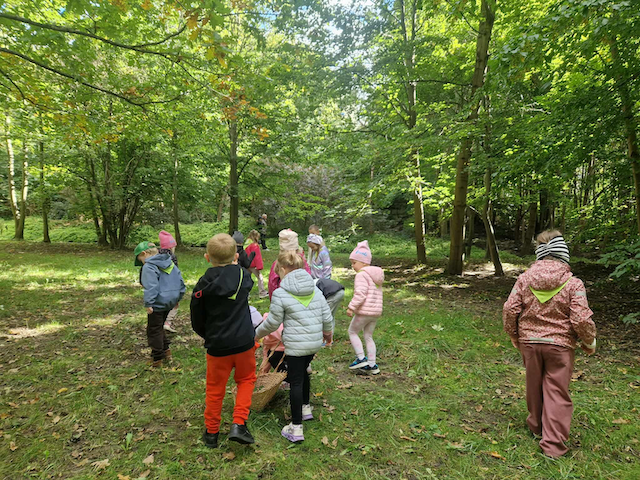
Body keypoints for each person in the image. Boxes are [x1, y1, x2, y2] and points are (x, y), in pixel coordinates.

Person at [503, 230, 596, 458]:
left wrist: (513, 334)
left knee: (533, 384)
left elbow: (510, 308)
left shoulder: (524, 279)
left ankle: (536, 426)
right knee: (556, 390)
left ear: (539, 255)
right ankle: (553, 445)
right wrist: (589, 340)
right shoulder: (573, 283)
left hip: (529, 343)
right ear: (564, 255)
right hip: (560, 346)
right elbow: (580, 318)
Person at [255, 251, 333, 443]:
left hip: (296, 346)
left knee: (296, 381)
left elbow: (272, 323)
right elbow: (327, 317)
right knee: (304, 373)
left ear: (282, 269)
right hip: (314, 344)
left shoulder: (281, 293)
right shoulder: (315, 290)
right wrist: (328, 335)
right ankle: (305, 408)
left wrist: (255, 334)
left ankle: (296, 427)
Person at [190, 233, 257, 448]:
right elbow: (248, 281)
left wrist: (209, 335)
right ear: (236, 256)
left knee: (215, 388)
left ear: (207, 257)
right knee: (246, 380)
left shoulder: (202, 285)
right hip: (244, 341)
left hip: (217, 346)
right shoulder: (243, 277)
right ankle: (239, 423)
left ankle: (211, 433)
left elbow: (196, 319)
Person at [134, 241, 185, 367]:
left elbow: (151, 286)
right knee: (159, 326)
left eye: (140, 259)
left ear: (144, 253)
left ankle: (157, 358)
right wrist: (178, 297)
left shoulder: (149, 266)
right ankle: (166, 351)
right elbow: (180, 281)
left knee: (153, 330)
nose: (142, 262)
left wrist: (148, 303)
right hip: (170, 300)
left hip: (158, 302)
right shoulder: (169, 262)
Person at [347, 241, 384, 375]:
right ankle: (372, 365)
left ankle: (361, 358)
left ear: (363, 262)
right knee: (368, 336)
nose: (352, 266)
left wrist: (351, 307)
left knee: (352, 332)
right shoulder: (376, 276)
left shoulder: (361, 274)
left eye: (354, 262)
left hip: (364, 312)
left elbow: (360, 294)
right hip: (375, 312)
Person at [267, 229, 311, 299]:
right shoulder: (302, 262)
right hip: (303, 299)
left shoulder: (278, 263)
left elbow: (272, 285)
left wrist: (274, 300)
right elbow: (309, 279)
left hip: (283, 299)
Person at [158, 230, 179, 333]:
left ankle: (160, 323)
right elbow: (176, 272)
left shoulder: (155, 256)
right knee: (175, 304)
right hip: (171, 286)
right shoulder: (172, 257)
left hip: (159, 286)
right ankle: (167, 322)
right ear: (171, 247)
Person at [246, 230, 268, 298]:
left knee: (246, 278)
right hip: (253, 265)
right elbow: (257, 257)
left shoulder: (246, 244)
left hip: (247, 264)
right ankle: (262, 292)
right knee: (260, 278)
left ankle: (246, 293)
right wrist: (259, 266)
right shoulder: (255, 245)